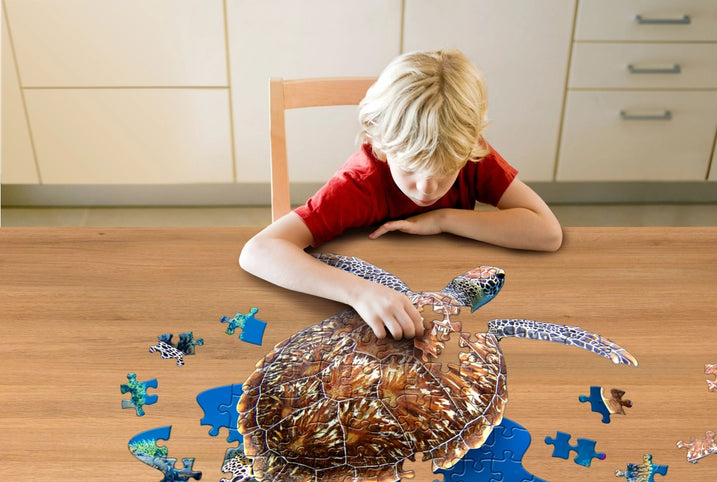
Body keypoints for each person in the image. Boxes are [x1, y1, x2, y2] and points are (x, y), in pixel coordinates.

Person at [240, 49, 562, 341]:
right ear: (380, 142)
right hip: (365, 321)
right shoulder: (360, 183)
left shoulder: (466, 151)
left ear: (470, 146)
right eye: (410, 168)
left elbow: (547, 233)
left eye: (445, 170)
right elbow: (259, 250)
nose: (427, 188)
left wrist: (443, 219)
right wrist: (359, 292)